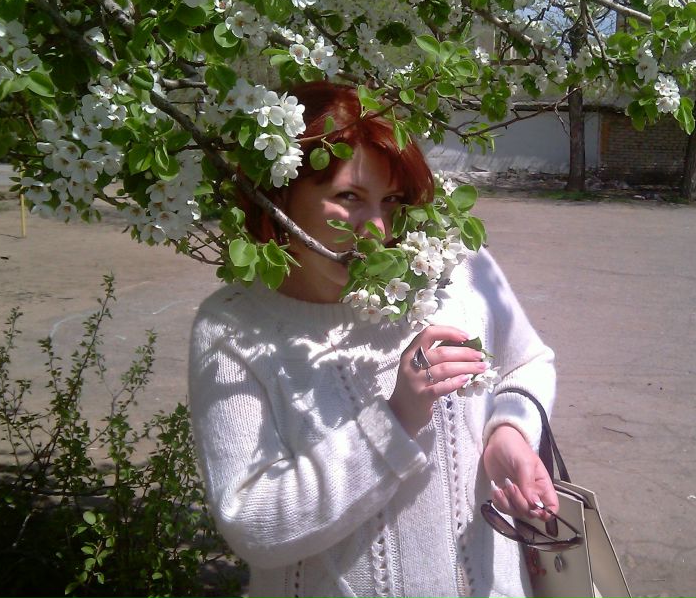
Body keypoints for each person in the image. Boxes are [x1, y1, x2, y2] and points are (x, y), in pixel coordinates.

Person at [189, 81, 558, 598]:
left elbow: (528, 361)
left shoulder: (454, 269)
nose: (378, 230)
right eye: (349, 197)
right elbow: (251, 522)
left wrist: (509, 434)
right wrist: (396, 420)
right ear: (279, 194)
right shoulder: (235, 329)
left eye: (393, 200)